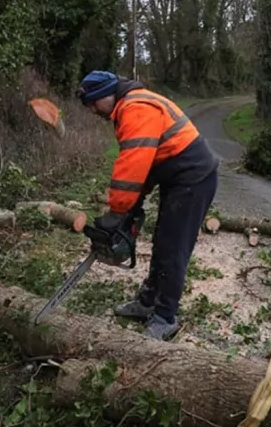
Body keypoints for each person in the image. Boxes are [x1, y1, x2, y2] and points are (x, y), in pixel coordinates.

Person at [77, 70, 219, 340]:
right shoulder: (130, 106)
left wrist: (118, 211)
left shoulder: (136, 108)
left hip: (193, 177)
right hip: (177, 175)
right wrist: (133, 204)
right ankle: (148, 301)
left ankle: (166, 316)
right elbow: (147, 163)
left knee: (173, 246)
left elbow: (132, 166)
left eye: (94, 103)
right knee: (162, 241)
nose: (93, 110)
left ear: (107, 95)